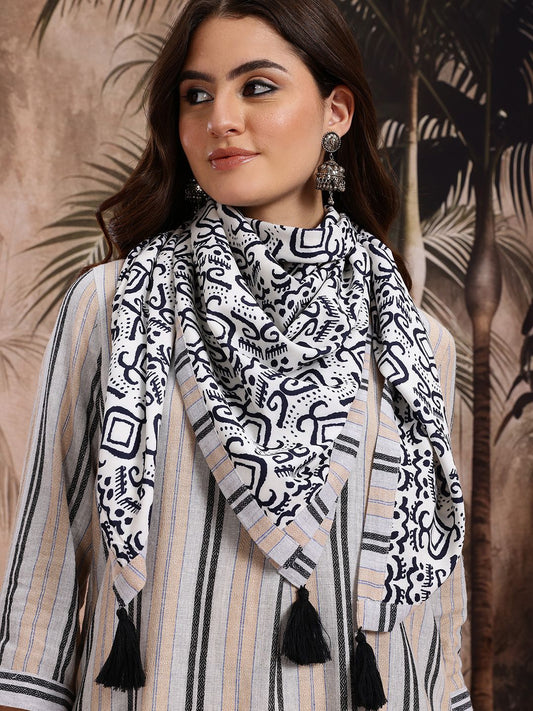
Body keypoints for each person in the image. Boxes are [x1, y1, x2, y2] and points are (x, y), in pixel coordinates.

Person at [0, 0, 472, 708]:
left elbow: (434, 607)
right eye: (196, 95)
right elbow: (46, 561)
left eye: (256, 86)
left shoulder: (414, 340)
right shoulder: (115, 306)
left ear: (336, 111)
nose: (219, 118)